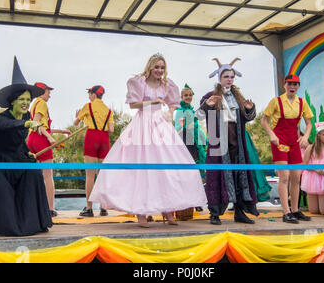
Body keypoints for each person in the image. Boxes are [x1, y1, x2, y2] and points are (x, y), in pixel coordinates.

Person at [88, 53, 207, 228]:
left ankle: (168, 209)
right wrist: (152, 103)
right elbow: (133, 105)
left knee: (166, 166)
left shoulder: (167, 84)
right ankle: (141, 213)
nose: (159, 70)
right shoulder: (139, 82)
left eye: (162, 67)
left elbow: (173, 103)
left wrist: (169, 112)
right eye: (157, 67)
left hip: (161, 125)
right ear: (150, 67)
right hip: (142, 124)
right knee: (141, 168)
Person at [0, 56, 53, 237]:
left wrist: (27, 153)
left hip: (16, 157)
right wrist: (26, 125)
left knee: (33, 173)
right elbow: (5, 127)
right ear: (13, 100)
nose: (25, 102)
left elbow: (19, 141)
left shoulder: (27, 115)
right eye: (21, 99)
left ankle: (36, 221)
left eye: (28, 99)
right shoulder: (0, 117)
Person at [197, 58, 259, 225]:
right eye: (226, 76)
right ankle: (215, 214)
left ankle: (239, 212)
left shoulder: (238, 97)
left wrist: (248, 109)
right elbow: (199, 116)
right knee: (217, 176)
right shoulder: (210, 96)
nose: (229, 79)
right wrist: (207, 106)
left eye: (232, 76)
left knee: (240, 176)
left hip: (237, 141)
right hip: (218, 142)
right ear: (219, 78)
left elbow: (248, 118)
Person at [261, 74, 313, 224]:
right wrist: (271, 135)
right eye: (290, 84)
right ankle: (286, 212)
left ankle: (295, 210)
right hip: (280, 141)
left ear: (298, 86)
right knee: (284, 176)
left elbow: (308, 124)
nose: (292, 87)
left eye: (295, 84)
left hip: (294, 141)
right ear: (284, 85)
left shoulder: (302, 102)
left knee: (296, 176)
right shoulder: (276, 102)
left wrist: (305, 137)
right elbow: (264, 120)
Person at [27, 82, 71, 217]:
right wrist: (49, 138)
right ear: (41, 92)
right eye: (48, 92)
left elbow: (42, 126)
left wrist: (61, 131)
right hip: (41, 139)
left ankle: (33, 206)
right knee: (48, 176)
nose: (49, 95)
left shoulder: (33, 104)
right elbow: (37, 123)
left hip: (31, 139)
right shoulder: (42, 104)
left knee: (34, 176)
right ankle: (50, 209)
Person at [74, 85, 114, 218]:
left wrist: (77, 116)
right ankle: (103, 207)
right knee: (102, 175)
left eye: (89, 93)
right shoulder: (108, 110)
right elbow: (111, 130)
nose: (88, 95)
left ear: (94, 95)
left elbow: (76, 123)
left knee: (90, 175)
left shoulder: (88, 106)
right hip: (104, 139)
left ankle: (89, 208)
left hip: (92, 136)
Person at [174, 84, 208, 212]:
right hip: (184, 144)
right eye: (185, 95)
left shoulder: (192, 111)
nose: (188, 97)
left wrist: (203, 140)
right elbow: (176, 129)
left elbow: (197, 128)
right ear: (181, 97)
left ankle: (196, 201)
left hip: (194, 144)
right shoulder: (179, 111)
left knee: (196, 174)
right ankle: (185, 201)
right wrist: (185, 127)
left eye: (190, 95)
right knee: (185, 174)